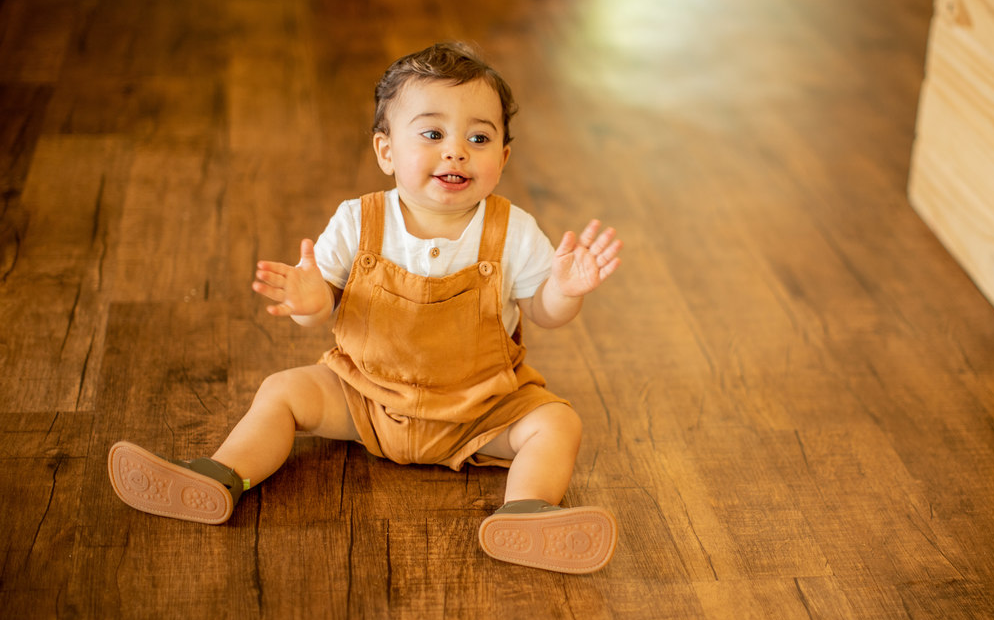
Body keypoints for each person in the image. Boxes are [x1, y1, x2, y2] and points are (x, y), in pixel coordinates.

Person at [108, 42, 622, 574]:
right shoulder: (359, 221)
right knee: (282, 391)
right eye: (432, 133)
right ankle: (220, 475)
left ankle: (526, 511)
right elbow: (320, 307)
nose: (456, 151)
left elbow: (543, 313)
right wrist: (312, 304)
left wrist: (565, 290)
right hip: (365, 399)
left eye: (478, 137)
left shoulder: (513, 230)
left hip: (478, 410)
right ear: (386, 151)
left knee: (558, 423)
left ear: (504, 157)